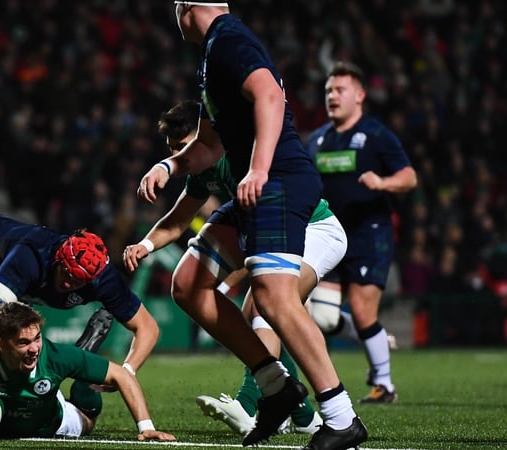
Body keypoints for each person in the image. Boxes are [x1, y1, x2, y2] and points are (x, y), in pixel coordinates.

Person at [137, 3, 367, 448]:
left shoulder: (229, 39)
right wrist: (169, 165)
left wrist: (259, 168)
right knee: (188, 284)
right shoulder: (213, 52)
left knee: (271, 299)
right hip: (260, 187)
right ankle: (276, 387)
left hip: (277, 181)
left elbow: (269, 95)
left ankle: (341, 418)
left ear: (186, 9)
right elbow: (206, 145)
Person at [124, 100, 348, 435]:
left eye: (183, 149)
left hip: (315, 230)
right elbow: (179, 218)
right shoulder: (204, 170)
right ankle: (301, 414)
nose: (179, 158)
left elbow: (268, 227)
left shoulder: (238, 158)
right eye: (172, 151)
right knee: (188, 286)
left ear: (205, 139)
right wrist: (145, 244)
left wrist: (234, 277)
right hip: (254, 225)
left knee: (263, 305)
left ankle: (273, 406)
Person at [0, 213, 160, 430]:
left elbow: (147, 327)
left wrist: (129, 370)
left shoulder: (103, 279)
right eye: (66, 274)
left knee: (14, 354)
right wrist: (5, 381)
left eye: (79, 281)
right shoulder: (31, 257)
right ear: (58, 259)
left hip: (16, 290)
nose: (70, 284)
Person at [304, 61, 417, 404]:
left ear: (360, 95)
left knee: (363, 309)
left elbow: (409, 177)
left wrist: (382, 182)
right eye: (328, 91)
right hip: (327, 233)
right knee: (321, 316)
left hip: (370, 232)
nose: (332, 96)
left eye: (340, 90)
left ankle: (384, 384)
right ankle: (375, 337)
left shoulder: (377, 134)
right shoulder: (318, 139)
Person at [0, 302, 175, 442]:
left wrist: (146, 427)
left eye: (37, 338)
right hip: (17, 414)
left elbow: (122, 375)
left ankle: (85, 364)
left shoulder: (52, 354)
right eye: (23, 343)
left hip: (53, 422)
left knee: (87, 409)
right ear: (1, 343)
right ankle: (83, 364)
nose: (34, 348)